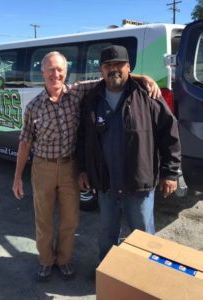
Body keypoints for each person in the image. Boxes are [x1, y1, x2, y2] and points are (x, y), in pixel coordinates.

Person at [12, 51, 161, 281]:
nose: (56, 74)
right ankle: (45, 260)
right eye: (51, 70)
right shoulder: (33, 106)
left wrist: (144, 78)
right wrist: (17, 176)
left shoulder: (77, 92)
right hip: (43, 167)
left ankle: (63, 260)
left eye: (60, 69)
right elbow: (25, 141)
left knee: (70, 219)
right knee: (43, 219)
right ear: (42, 72)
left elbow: (112, 76)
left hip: (70, 166)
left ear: (66, 72)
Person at [77, 45, 181, 262]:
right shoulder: (92, 99)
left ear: (129, 67)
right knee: (107, 234)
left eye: (119, 64)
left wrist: (170, 173)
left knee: (143, 234)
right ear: (101, 70)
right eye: (107, 65)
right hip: (106, 183)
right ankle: (108, 272)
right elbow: (83, 139)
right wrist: (83, 170)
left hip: (139, 182)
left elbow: (169, 134)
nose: (113, 69)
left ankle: (143, 276)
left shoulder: (148, 95)